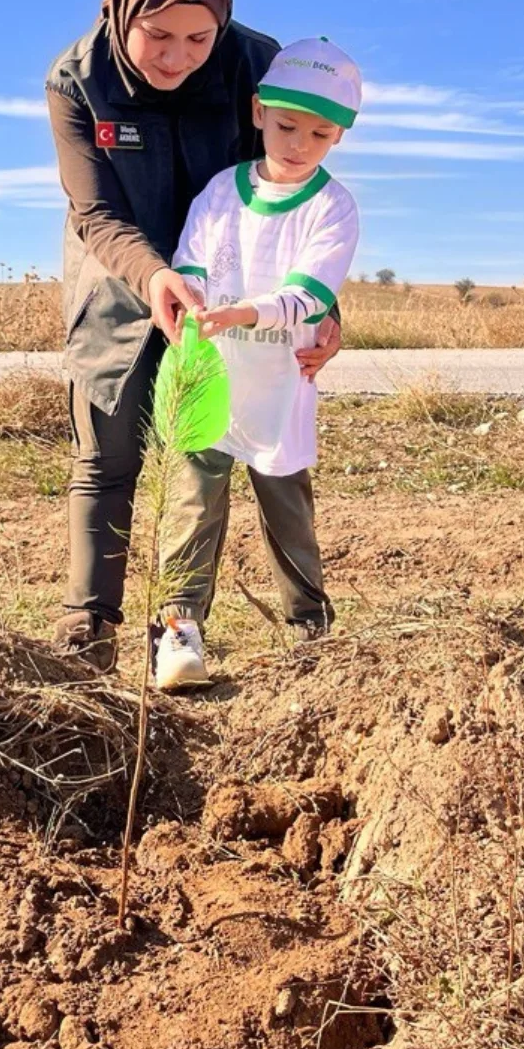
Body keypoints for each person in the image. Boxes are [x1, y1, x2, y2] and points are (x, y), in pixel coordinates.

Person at [47, 0, 342, 668]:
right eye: (157, 36)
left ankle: (298, 629)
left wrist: (324, 305)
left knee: (248, 460)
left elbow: (296, 186)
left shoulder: (257, 66)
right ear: (119, 10)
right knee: (108, 460)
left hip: (235, 307)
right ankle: (89, 627)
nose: (177, 58)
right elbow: (97, 213)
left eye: (198, 38)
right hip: (120, 288)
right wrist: (153, 276)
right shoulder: (77, 82)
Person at [153, 38, 362, 691]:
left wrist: (243, 314)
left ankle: (309, 638)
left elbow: (309, 293)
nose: (299, 142)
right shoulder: (221, 194)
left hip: (280, 389)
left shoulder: (333, 208)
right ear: (258, 112)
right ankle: (178, 637)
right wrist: (190, 304)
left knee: (288, 517)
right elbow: (191, 261)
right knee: (189, 508)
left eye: (319, 133)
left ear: (338, 137)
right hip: (208, 377)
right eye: (286, 125)